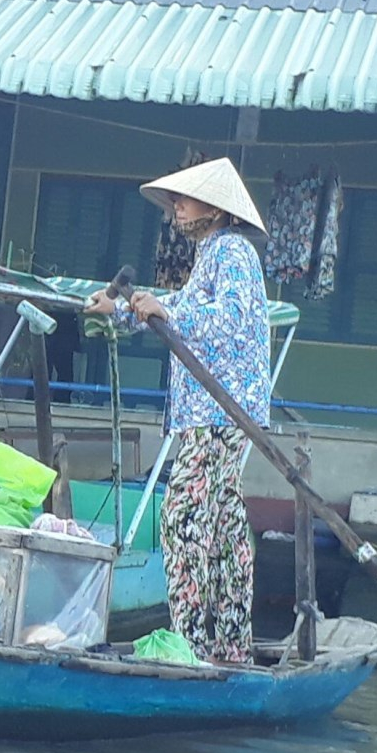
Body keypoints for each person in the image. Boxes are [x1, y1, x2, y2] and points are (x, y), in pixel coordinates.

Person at [84, 157, 270, 665]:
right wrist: (122, 310)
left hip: (221, 409)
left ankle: (191, 646)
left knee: (183, 517)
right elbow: (179, 313)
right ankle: (228, 645)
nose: (175, 209)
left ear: (215, 209)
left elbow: (228, 319)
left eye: (184, 200)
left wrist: (166, 309)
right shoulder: (211, 256)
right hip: (216, 412)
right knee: (224, 528)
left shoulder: (231, 251)